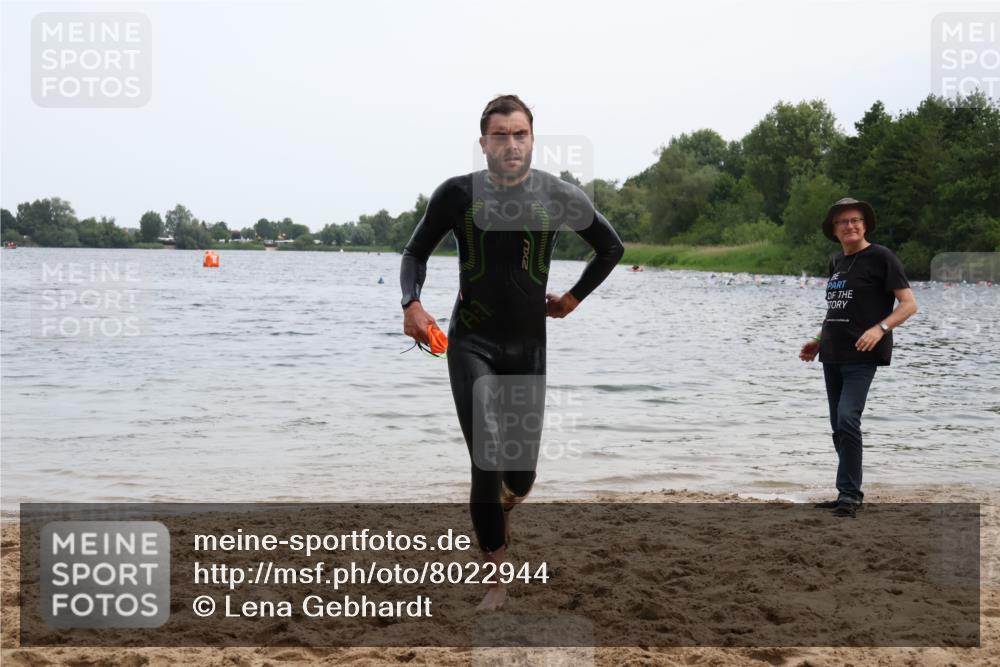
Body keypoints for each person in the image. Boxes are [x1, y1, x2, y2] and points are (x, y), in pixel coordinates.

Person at [400, 94, 623, 610]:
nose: (510, 143)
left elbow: (611, 248)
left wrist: (571, 299)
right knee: (488, 452)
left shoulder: (558, 194)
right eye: (499, 135)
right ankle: (496, 579)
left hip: (528, 347)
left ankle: (506, 502)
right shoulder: (456, 194)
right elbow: (415, 252)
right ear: (483, 143)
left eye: (519, 133)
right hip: (471, 341)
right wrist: (412, 303)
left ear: (531, 138)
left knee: (519, 476)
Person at [799, 197, 918, 517]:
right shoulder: (837, 262)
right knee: (838, 426)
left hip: (862, 355)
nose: (850, 226)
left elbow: (909, 304)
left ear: (864, 225)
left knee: (848, 418)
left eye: (856, 220)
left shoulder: (881, 257)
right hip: (832, 353)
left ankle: (850, 496)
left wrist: (880, 328)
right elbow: (837, 309)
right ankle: (846, 492)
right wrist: (817, 340)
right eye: (843, 222)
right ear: (834, 229)